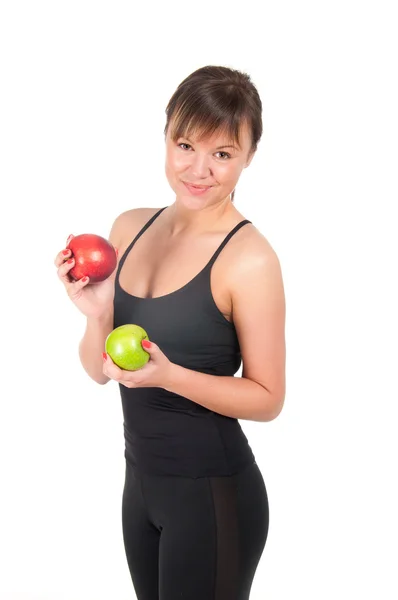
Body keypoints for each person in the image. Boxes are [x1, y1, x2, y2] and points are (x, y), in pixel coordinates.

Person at [55, 65, 286, 599]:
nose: (199, 169)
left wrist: (170, 375)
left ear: (248, 156)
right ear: (165, 137)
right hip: (140, 489)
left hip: (211, 495)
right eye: (186, 145)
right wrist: (96, 314)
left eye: (222, 154)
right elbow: (99, 372)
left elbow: (269, 398)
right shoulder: (129, 227)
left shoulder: (249, 260)